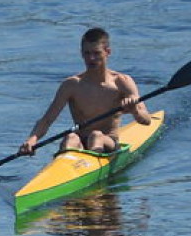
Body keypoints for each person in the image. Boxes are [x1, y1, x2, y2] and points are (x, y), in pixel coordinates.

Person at [19, 27, 151, 156]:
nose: (91, 58)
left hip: (108, 142)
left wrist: (135, 110)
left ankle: (94, 166)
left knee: (96, 136)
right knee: (70, 137)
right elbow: (47, 119)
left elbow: (146, 120)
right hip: (80, 140)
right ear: (81, 53)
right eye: (87, 53)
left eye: (96, 53)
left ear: (107, 52)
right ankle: (67, 166)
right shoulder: (71, 85)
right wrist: (32, 139)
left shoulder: (122, 82)